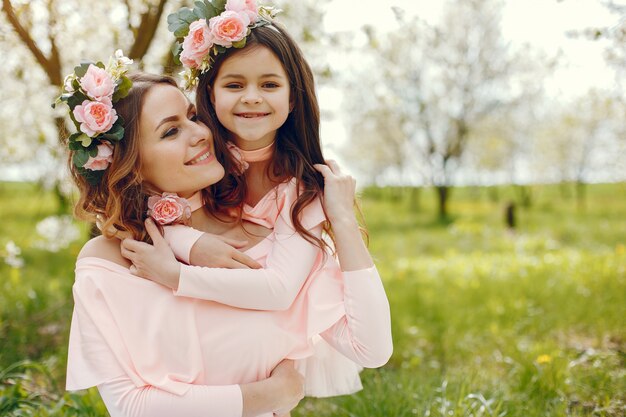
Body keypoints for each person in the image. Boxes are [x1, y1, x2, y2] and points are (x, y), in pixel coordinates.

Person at [59, 52, 391, 417]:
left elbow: (371, 348)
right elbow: (130, 406)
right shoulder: (108, 263)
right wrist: (268, 396)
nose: (200, 134)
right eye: (171, 131)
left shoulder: (267, 240)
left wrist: (341, 220)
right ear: (131, 166)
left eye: (192, 117)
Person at [121, 0, 391, 398]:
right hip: (193, 369)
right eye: (234, 85)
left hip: (260, 367)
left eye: (269, 84)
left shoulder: (300, 190)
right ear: (209, 95)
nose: (251, 97)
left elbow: (370, 347)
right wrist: (192, 244)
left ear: (293, 97)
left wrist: (343, 222)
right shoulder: (198, 161)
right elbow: (144, 205)